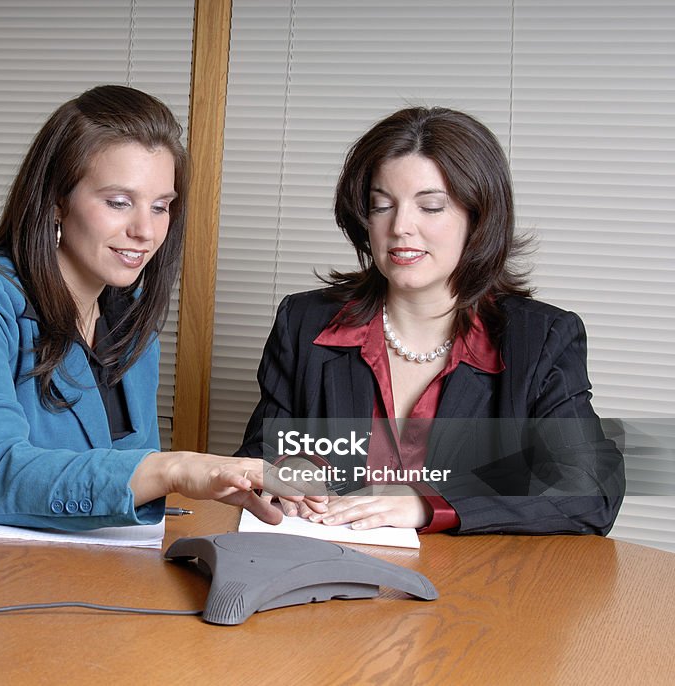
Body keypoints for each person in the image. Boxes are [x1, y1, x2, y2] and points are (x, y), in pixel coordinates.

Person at [0, 85, 306, 529]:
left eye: (161, 206)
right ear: (56, 202)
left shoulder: (130, 310)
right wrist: (175, 467)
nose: (146, 231)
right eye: (119, 202)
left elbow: (119, 476)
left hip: (49, 552)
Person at [238, 106, 625, 535]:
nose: (401, 227)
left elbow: (590, 488)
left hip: (474, 591)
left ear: (477, 217)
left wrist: (429, 504)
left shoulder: (540, 339)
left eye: (431, 207)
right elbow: (263, 450)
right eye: (382, 206)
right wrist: (289, 468)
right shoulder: (305, 322)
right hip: (326, 575)